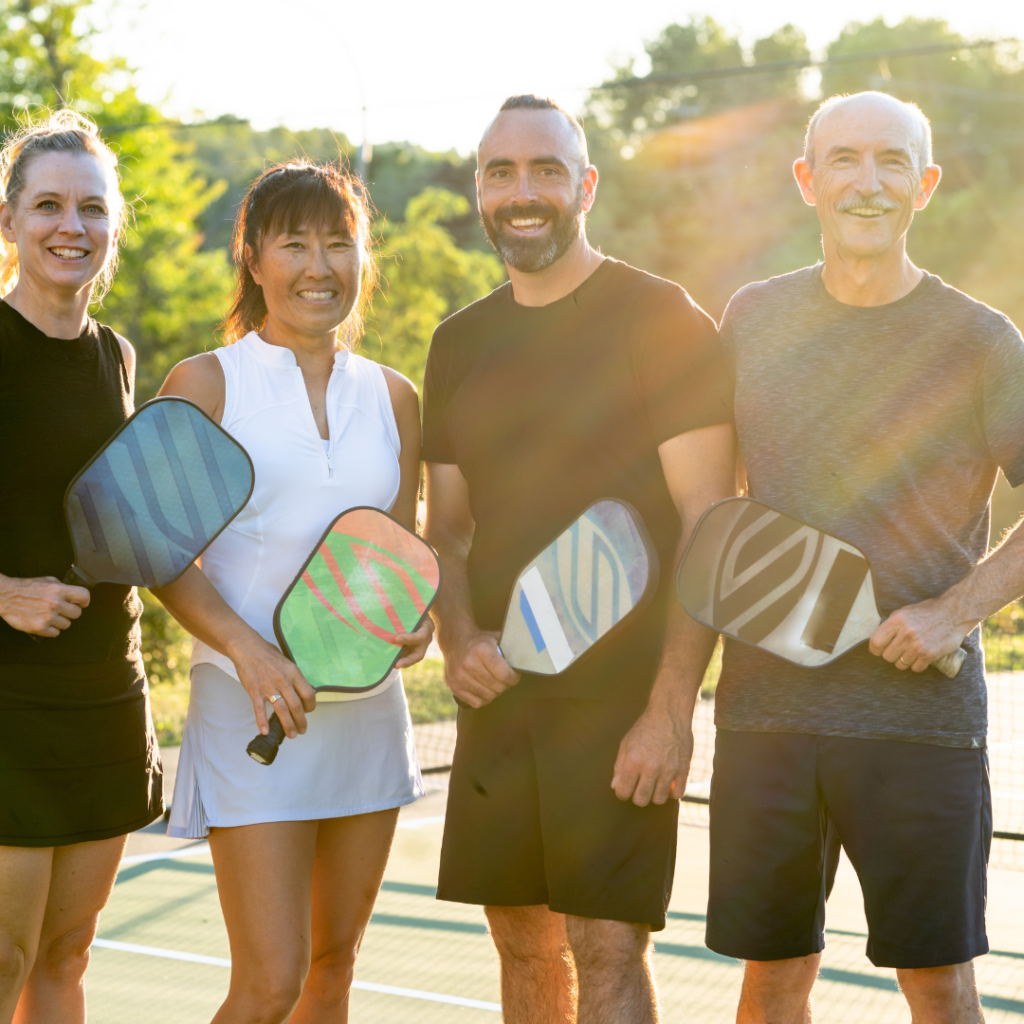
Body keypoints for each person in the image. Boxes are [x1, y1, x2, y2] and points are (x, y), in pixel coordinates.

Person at [709, 91, 1024, 1024]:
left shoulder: (981, 340)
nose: (868, 182)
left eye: (892, 162)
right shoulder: (753, 319)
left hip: (918, 724)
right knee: (772, 981)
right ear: (808, 180)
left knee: (939, 987)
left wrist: (955, 612)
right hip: (766, 713)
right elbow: (705, 506)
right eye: (844, 159)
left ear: (924, 185)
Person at [422, 95, 736, 1024]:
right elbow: (448, 529)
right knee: (521, 942)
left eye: (547, 170)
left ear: (586, 185)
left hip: (620, 703)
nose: (524, 193)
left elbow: (709, 523)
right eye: (501, 173)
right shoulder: (459, 342)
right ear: (480, 190)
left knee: (606, 946)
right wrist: (460, 633)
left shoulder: (663, 319)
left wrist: (670, 711)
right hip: (501, 698)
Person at [152, 161, 433, 1024]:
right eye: (296, 243)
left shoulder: (394, 395)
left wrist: (409, 620)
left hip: (366, 716)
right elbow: (160, 556)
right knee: (269, 983)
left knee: (332, 970)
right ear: (253, 257)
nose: (320, 265)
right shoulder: (204, 384)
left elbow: (394, 550)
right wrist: (250, 652)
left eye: (340, 243)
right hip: (252, 718)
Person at [0, 110, 163, 1023]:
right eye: (49, 205)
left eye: (92, 208)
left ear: (113, 224)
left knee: (65, 954)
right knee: (6, 952)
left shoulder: (116, 357)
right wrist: (5, 594)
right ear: (8, 221)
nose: (72, 227)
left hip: (106, 688)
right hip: (9, 701)